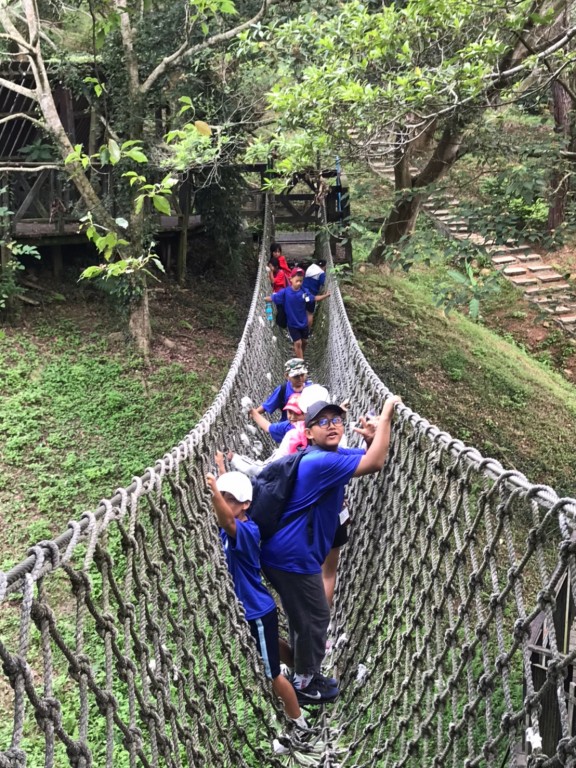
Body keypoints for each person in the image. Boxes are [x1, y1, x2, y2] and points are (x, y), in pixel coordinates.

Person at [260, 395, 402, 704]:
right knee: (316, 616)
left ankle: (302, 672)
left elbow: (364, 456)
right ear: (309, 433)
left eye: (336, 420)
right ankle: (305, 682)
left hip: (287, 555)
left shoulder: (328, 454)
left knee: (304, 616)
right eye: (322, 422)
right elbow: (375, 462)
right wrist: (387, 417)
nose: (332, 426)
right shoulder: (320, 461)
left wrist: (370, 439)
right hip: (292, 558)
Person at [205, 466, 308, 730]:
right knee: (271, 643)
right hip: (256, 609)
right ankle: (303, 674)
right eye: (224, 498)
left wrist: (215, 490)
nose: (225, 503)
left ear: (246, 505)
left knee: (271, 674)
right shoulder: (231, 526)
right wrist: (222, 471)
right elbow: (228, 515)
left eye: (232, 499)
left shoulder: (246, 532)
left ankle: (299, 724)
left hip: (255, 611)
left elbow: (228, 520)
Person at [265, 269, 330, 359]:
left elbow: (314, 298)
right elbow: (273, 297)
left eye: (301, 281)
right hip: (292, 324)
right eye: (297, 281)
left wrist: (325, 296)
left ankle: (299, 356)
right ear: (291, 279)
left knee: (305, 342)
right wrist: (264, 298)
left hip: (303, 323)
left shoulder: (304, 292)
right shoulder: (285, 292)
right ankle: (301, 363)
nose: (299, 283)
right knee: (298, 342)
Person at [303, 260, 327, 329]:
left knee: (302, 310)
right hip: (311, 295)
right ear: (324, 267)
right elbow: (323, 282)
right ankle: (307, 331)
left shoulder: (310, 267)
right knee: (309, 313)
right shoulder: (321, 273)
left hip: (302, 293)